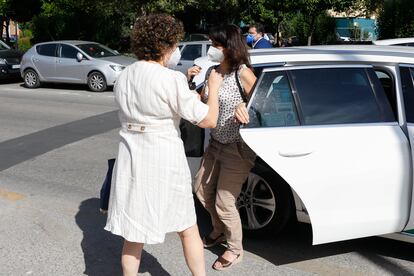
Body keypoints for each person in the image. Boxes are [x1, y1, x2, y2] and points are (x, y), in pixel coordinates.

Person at [104, 14, 222, 276]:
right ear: (165, 45)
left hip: (132, 156)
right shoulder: (171, 78)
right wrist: (213, 88)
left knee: (133, 234)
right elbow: (209, 119)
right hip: (163, 157)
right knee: (186, 226)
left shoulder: (124, 76)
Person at [193, 24, 257, 271]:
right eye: (211, 43)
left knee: (223, 201)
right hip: (215, 143)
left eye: (216, 45)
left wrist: (248, 111)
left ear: (229, 47)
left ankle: (235, 249)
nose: (212, 49)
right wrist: (192, 83)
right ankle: (219, 229)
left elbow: (267, 107)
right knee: (200, 189)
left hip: (237, 148)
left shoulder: (243, 73)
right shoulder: (212, 71)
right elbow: (203, 103)